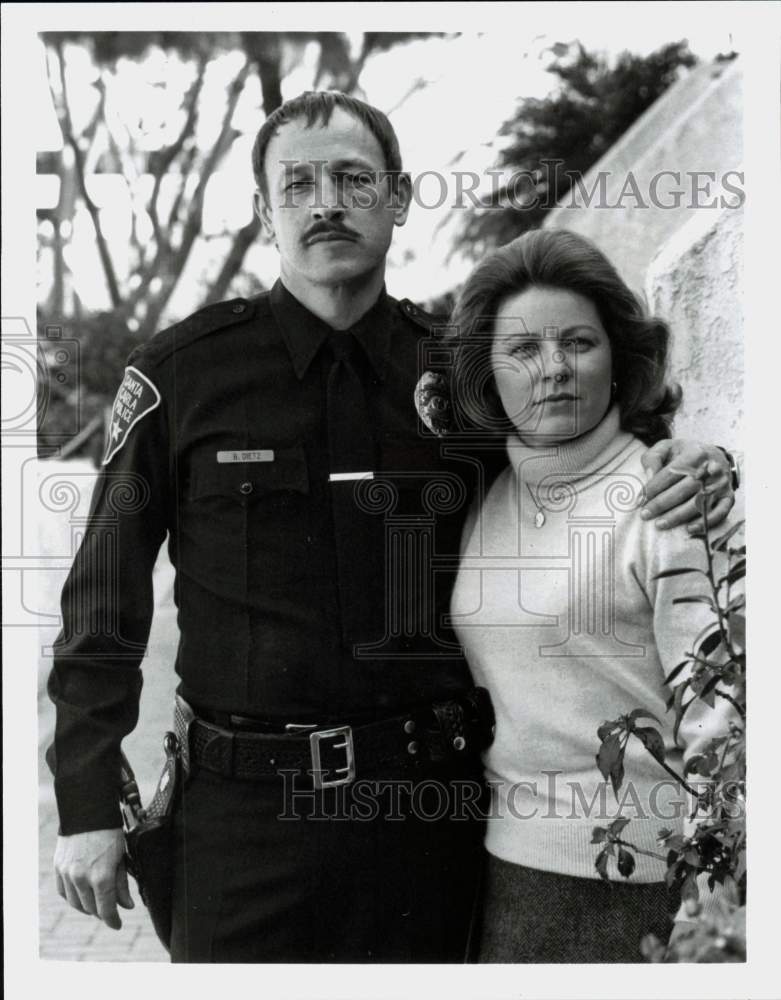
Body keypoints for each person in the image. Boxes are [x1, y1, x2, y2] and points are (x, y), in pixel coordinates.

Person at [48, 91, 736, 964]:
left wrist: (687, 456)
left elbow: (573, 452)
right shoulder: (184, 377)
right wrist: (84, 810)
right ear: (265, 213)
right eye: (296, 183)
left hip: (428, 815)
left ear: (400, 199)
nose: (325, 201)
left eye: (351, 177)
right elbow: (102, 605)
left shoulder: (460, 378)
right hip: (241, 823)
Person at [437, 228, 742, 962]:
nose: (553, 371)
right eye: (523, 351)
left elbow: (724, 723)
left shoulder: (670, 501)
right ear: (488, 376)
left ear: (619, 358)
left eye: (577, 343)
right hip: (506, 877)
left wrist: (714, 904)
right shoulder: (483, 497)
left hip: (646, 884)